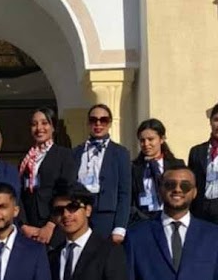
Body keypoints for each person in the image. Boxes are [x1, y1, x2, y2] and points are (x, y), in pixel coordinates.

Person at [72, 104, 132, 242]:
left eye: (103, 120)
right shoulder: (76, 152)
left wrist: (120, 226)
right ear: (88, 123)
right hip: (80, 211)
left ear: (109, 123)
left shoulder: (120, 153)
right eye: (93, 120)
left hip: (107, 216)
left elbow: (125, 192)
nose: (98, 124)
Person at [18, 107, 74, 247]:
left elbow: (66, 192)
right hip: (30, 225)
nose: (39, 128)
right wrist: (23, 224)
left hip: (56, 224)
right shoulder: (26, 158)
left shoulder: (64, 155)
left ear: (53, 127)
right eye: (34, 124)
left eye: (44, 123)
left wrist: (51, 224)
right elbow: (19, 193)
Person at [130, 119, 177, 223]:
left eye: (150, 139)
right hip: (143, 219)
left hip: (169, 218)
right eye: (142, 140)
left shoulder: (176, 165)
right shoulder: (134, 167)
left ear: (162, 139)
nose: (146, 144)